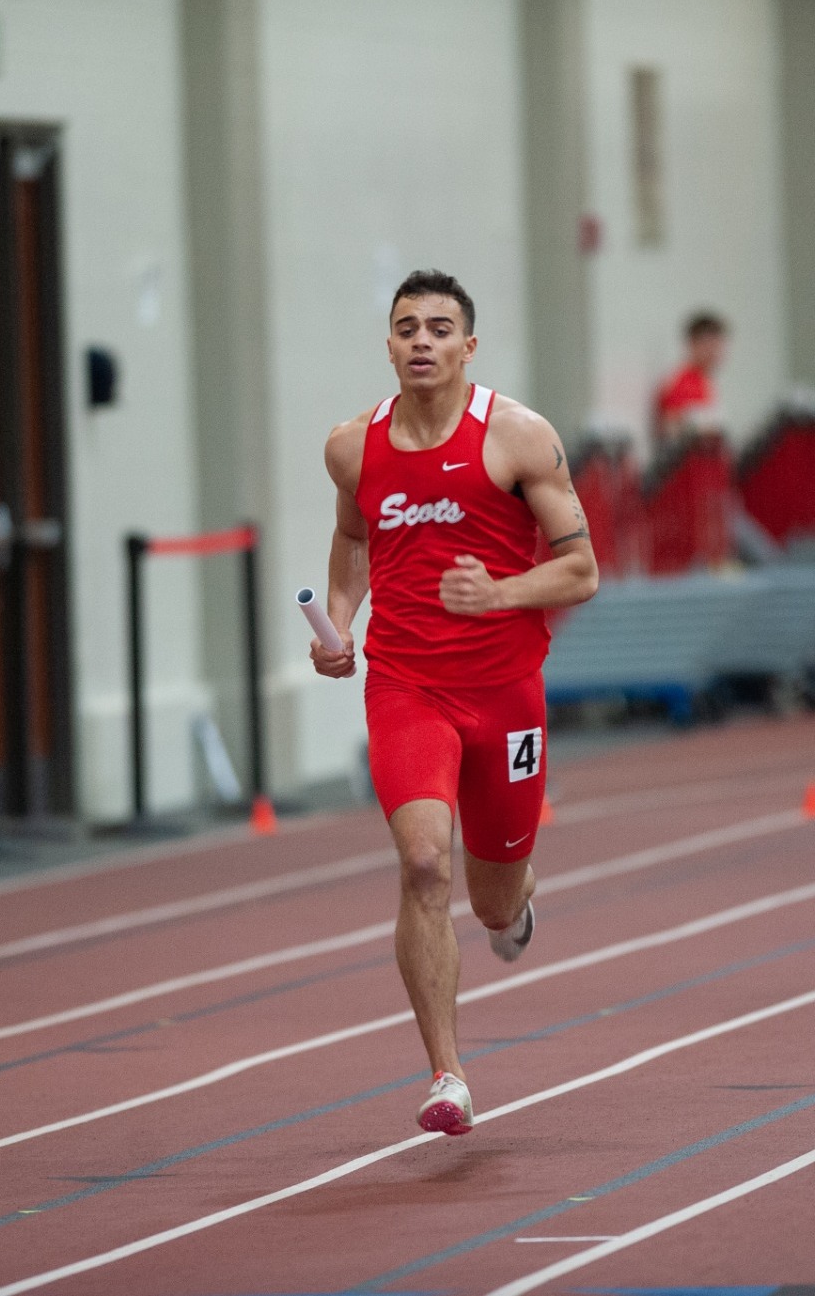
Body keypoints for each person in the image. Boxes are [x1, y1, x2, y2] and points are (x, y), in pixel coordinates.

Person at [310, 270, 599, 1136]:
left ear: (469, 346)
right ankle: (447, 1073)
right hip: (406, 687)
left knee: (494, 901)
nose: (423, 341)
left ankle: (516, 903)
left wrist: (502, 595)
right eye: (407, 328)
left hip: (505, 692)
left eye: (441, 328)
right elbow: (352, 540)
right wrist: (339, 621)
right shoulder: (352, 447)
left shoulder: (517, 437)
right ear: (390, 344)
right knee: (425, 863)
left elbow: (581, 569)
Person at [655, 311, 727, 446]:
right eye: (708, 345)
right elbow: (671, 432)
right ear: (692, 344)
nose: (714, 352)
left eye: (718, 345)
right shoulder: (683, 383)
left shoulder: (703, 382)